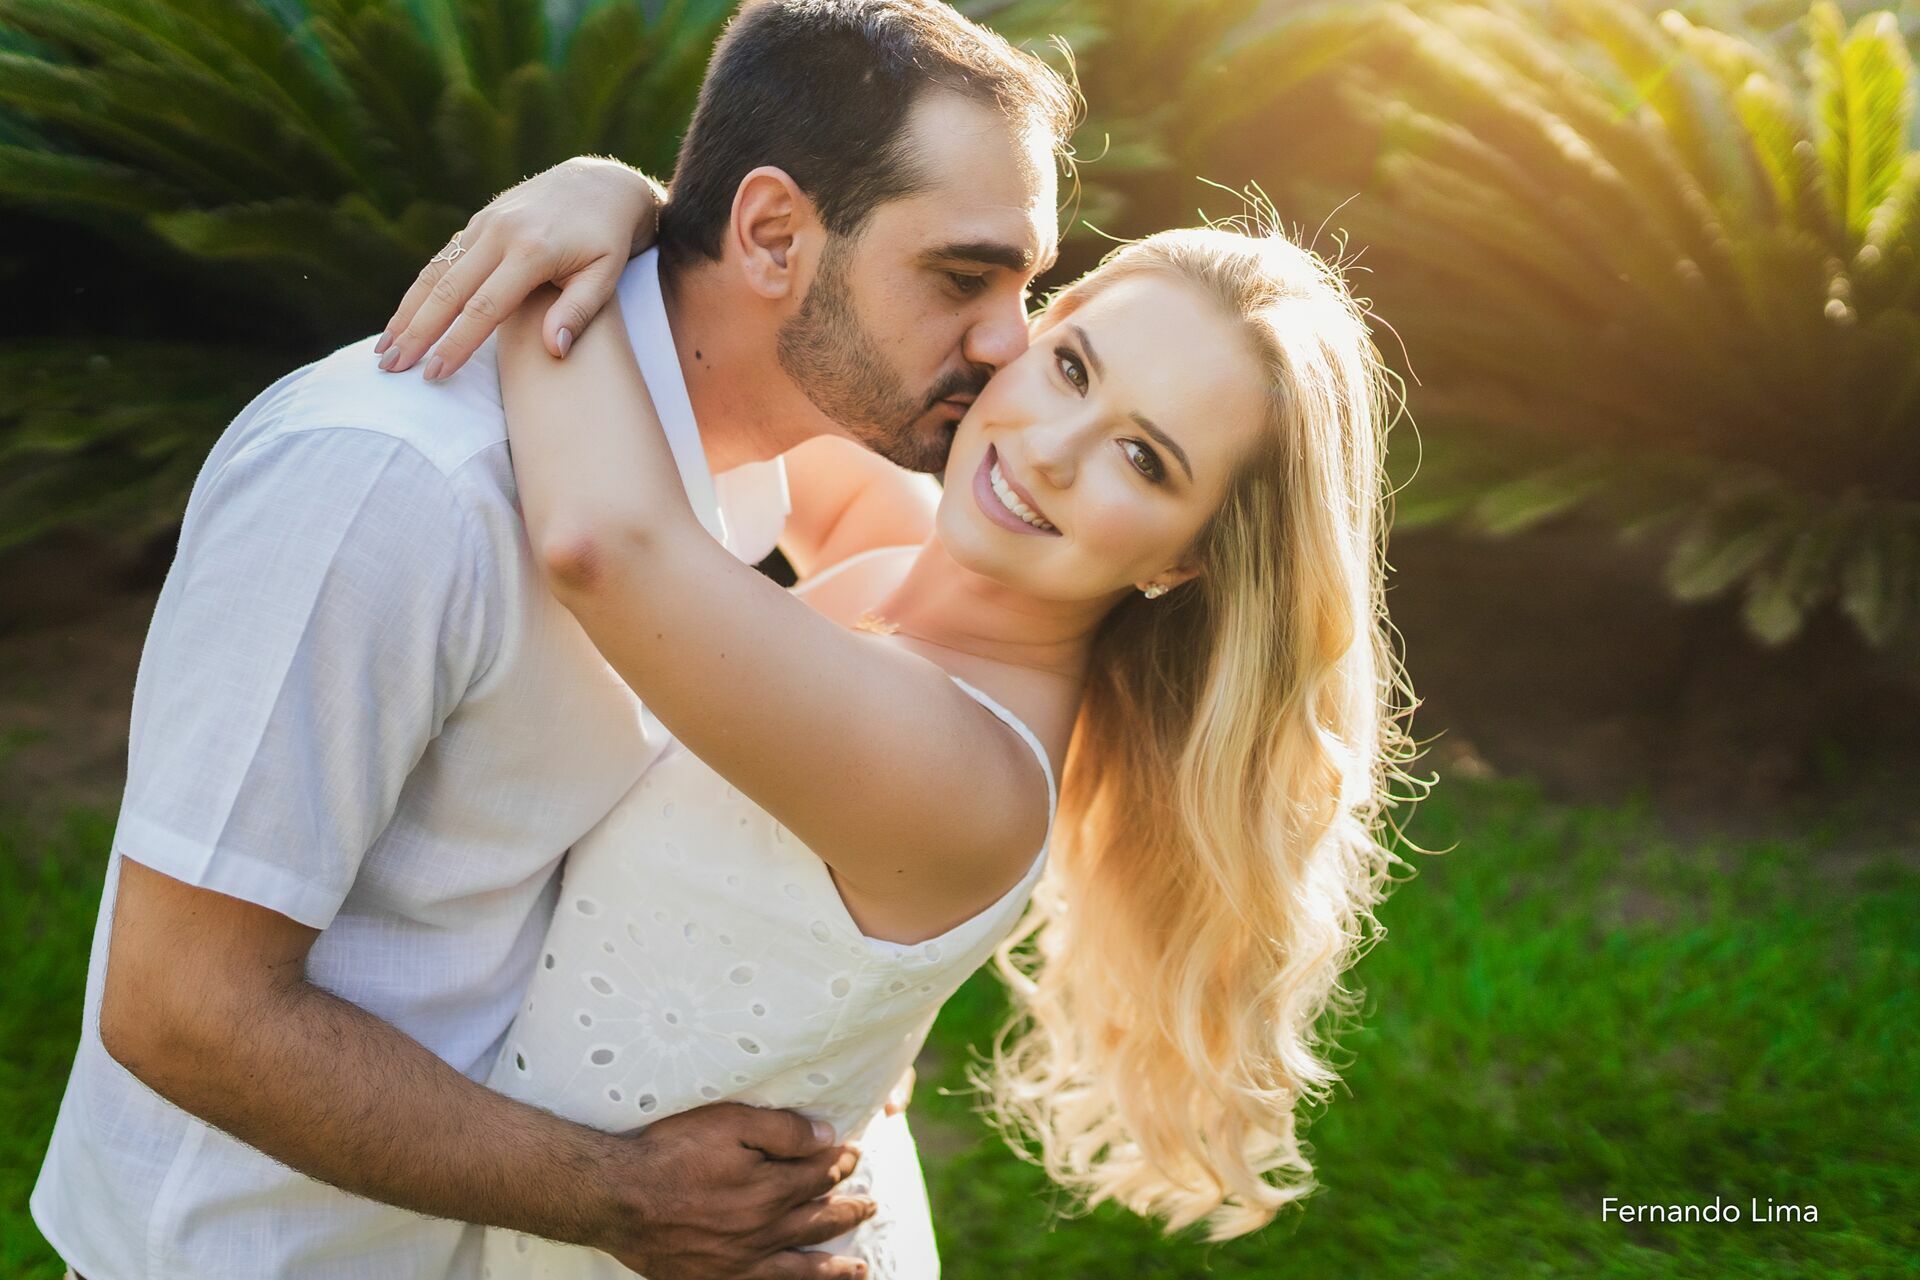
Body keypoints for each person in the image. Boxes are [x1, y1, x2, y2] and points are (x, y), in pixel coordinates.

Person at [28, 3, 1075, 1278]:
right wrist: (623, 1196)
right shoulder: (389, 485)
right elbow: (183, 1008)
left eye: (1028, 285)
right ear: (771, 235)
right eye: (964, 277)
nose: (1011, 341)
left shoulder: (739, 457)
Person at [391, 196, 1413, 1277]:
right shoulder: (902, 561)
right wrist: (636, 202)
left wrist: (556, 260)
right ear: (1023, 334)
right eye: (1071, 368)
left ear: (1184, 560)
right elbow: (751, 367)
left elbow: (603, 545)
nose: (1051, 451)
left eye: (1143, 458)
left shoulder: (962, 769)